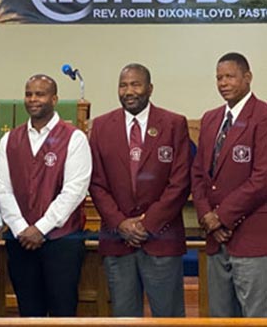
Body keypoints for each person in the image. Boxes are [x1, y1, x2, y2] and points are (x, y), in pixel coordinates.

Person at [89, 63, 191, 317]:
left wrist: (148, 224)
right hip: (118, 240)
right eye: (123, 85)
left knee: (169, 318)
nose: (129, 91)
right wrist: (120, 223)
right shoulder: (101, 126)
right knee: (124, 317)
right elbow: (96, 183)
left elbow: (180, 181)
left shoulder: (173, 124)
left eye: (135, 84)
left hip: (162, 238)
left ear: (150, 88)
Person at [0, 74, 91, 317]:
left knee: (63, 312)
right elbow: (1, 188)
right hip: (20, 241)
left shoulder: (74, 138)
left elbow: (74, 190)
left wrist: (41, 228)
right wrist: (19, 227)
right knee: (28, 312)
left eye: (40, 94)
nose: (33, 99)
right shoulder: (10, 139)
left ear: (55, 99)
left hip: (62, 242)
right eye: (29, 94)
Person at [192, 52, 267, 317]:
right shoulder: (211, 119)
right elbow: (198, 174)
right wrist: (206, 217)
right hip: (216, 239)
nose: (223, 83)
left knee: (255, 316)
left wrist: (222, 217)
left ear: (247, 78)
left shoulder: (263, 116)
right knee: (220, 317)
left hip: (251, 237)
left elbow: (261, 179)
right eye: (219, 78)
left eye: (230, 77)